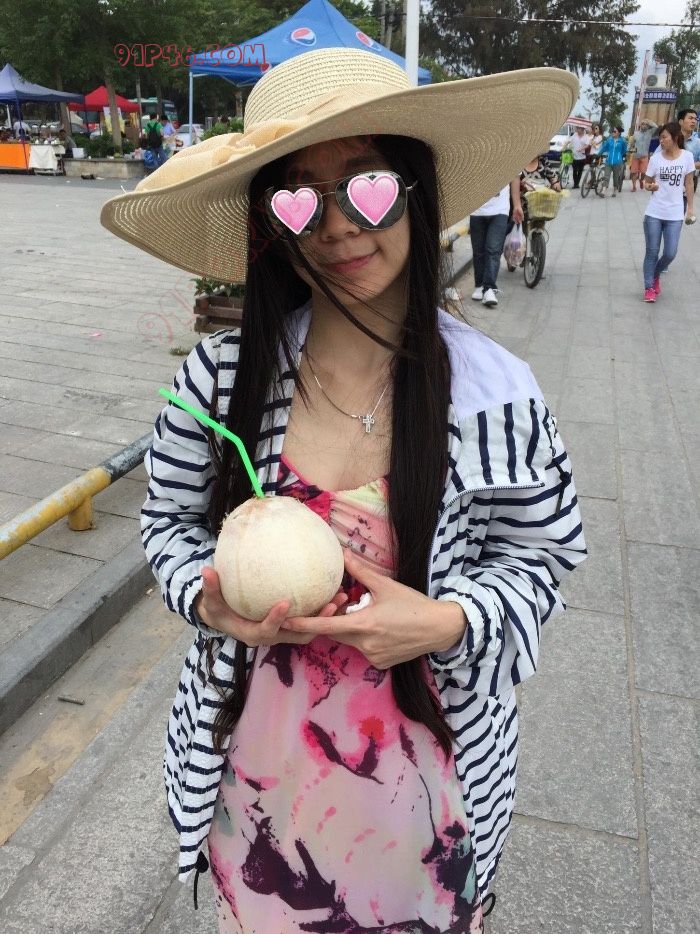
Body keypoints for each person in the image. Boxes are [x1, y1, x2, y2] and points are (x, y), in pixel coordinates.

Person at [101, 49, 586, 933]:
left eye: (367, 187)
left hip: (428, 800)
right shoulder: (221, 381)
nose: (335, 227)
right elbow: (167, 522)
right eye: (298, 200)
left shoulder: (496, 396)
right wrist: (208, 601)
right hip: (256, 786)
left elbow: (542, 559)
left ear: (416, 192)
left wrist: (445, 623)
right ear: (274, 225)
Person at [641, 121, 695, 303]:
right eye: (660, 138)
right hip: (654, 213)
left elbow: (689, 184)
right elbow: (646, 182)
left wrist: (690, 209)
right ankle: (649, 287)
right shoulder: (656, 159)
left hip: (675, 214)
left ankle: (655, 275)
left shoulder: (687, 157)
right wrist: (650, 186)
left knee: (670, 253)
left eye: (664, 137)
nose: (661, 141)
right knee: (652, 252)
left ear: (675, 137)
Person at [469, 181, 520, 307]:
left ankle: (489, 288)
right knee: (478, 251)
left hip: (500, 210)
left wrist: (517, 205)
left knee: (493, 250)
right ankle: (479, 285)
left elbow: (515, 177)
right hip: (476, 209)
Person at [678, 107, 700, 204]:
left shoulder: (698, 143)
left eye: (695, 119)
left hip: (688, 181)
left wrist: (687, 167)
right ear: (681, 122)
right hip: (669, 179)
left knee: (682, 207)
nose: (694, 121)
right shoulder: (671, 138)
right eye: (690, 118)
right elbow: (657, 156)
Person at [597, 126, 628, 197]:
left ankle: (615, 190)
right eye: (612, 131)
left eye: (614, 131)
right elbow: (604, 148)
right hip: (608, 161)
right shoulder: (609, 140)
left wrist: (619, 156)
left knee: (616, 177)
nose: (613, 133)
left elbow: (624, 150)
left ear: (619, 133)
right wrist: (598, 154)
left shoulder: (623, 141)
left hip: (618, 162)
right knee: (606, 176)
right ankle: (604, 191)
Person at [629, 118, 658, 191]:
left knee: (644, 172)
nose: (644, 125)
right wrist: (631, 151)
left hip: (644, 156)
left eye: (645, 124)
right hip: (636, 156)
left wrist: (649, 121)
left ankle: (641, 180)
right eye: (642, 124)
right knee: (634, 172)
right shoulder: (636, 133)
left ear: (647, 126)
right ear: (640, 125)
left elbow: (656, 127)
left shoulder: (649, 133)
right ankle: (634, 187)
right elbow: (632, 144)